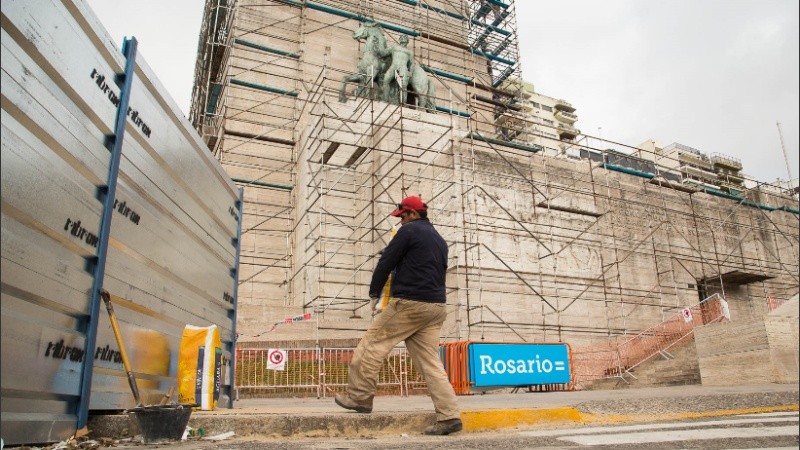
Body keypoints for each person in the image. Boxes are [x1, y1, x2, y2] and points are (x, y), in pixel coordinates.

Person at [334, 195, 462, 436]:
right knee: (431, 363)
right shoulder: (440, 241)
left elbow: (386, 262)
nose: (400, 221)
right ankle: (449, 416)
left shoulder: (409, 232)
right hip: (436, 307)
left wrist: (374, 292)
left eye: (402, 216)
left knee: (373, 344)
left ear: (413, 214)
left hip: (409, 303)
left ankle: (360, 397)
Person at [378, 35, 413, 104]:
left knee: (403, 86)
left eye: (405, 38)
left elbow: (412, 64)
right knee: (386, 80)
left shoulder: (409, 52)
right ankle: (385, 99)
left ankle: (403, 103)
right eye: (402, 38)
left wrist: (410, 72)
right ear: (400, 40)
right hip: (394, 66)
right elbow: (383, 53)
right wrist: (378, 44)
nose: (403, 39)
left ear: (407, 41)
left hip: (403, 67)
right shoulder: (394, 47)